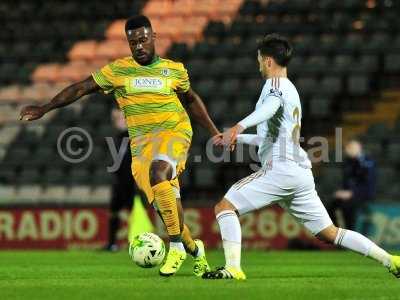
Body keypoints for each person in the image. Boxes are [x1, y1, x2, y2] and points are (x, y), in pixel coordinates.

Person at [20, 15, 219, 277]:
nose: (139, 46)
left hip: (174, 133)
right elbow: (81, 88)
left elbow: (191, 100)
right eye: (133, 42)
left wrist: (214, 132)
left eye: (143, 40)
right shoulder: (117, 71)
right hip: (142, 145)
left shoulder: (174, 70)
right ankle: (196, 250)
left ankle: (177, 247)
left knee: (159, 170)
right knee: (166, 206)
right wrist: (45, 108)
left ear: (154, 38)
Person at [202, 34, 400, 280]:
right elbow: (270, 138)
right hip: (299, 174)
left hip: (281, 170)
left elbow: (269, 108)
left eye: (259, 60)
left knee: (224, 207)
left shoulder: (274, 86)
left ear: (267, 61)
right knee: (330, 233)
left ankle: (233, 267)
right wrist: (235, 138)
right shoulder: (291, 90)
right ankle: (390, 259)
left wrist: (238, 128)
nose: (259, 65)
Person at [104, 109, 136, 252]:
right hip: (119, 181)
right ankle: (112, 244)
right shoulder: (118, 139)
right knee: (113, 211)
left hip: (132, 181)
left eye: (119, 118)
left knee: (135, 213)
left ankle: (137, 243)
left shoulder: (133, 137)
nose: (116, 121)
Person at [328, 139, 376, 231]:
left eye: (350, 148)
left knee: (349, 209)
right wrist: (342, 192)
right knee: (331, 207)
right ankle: (338, 232)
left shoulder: (367, 162)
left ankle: (350, 234)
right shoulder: (348, 162)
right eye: (347, 148)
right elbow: (347, 182)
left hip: (363, 194)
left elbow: (368, 184)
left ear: (359, 148)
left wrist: (351, 193)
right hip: (349, 195)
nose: (347, 150)